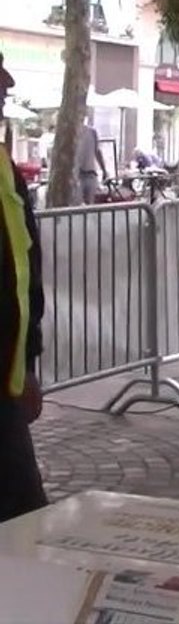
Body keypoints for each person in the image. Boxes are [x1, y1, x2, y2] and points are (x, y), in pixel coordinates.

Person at [0, 135, 47, 522]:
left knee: (25, 525)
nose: (7, 85)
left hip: (6, 388)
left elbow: (23, 274)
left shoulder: (3, 168)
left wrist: (28, 364)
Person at [77, 114, 107, 204]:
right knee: (76, 206)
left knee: (90, 205)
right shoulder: (70, 134)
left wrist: (104, 170)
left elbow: (97, 152)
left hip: (90, 173)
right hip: (76, 175)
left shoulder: (92, 132)